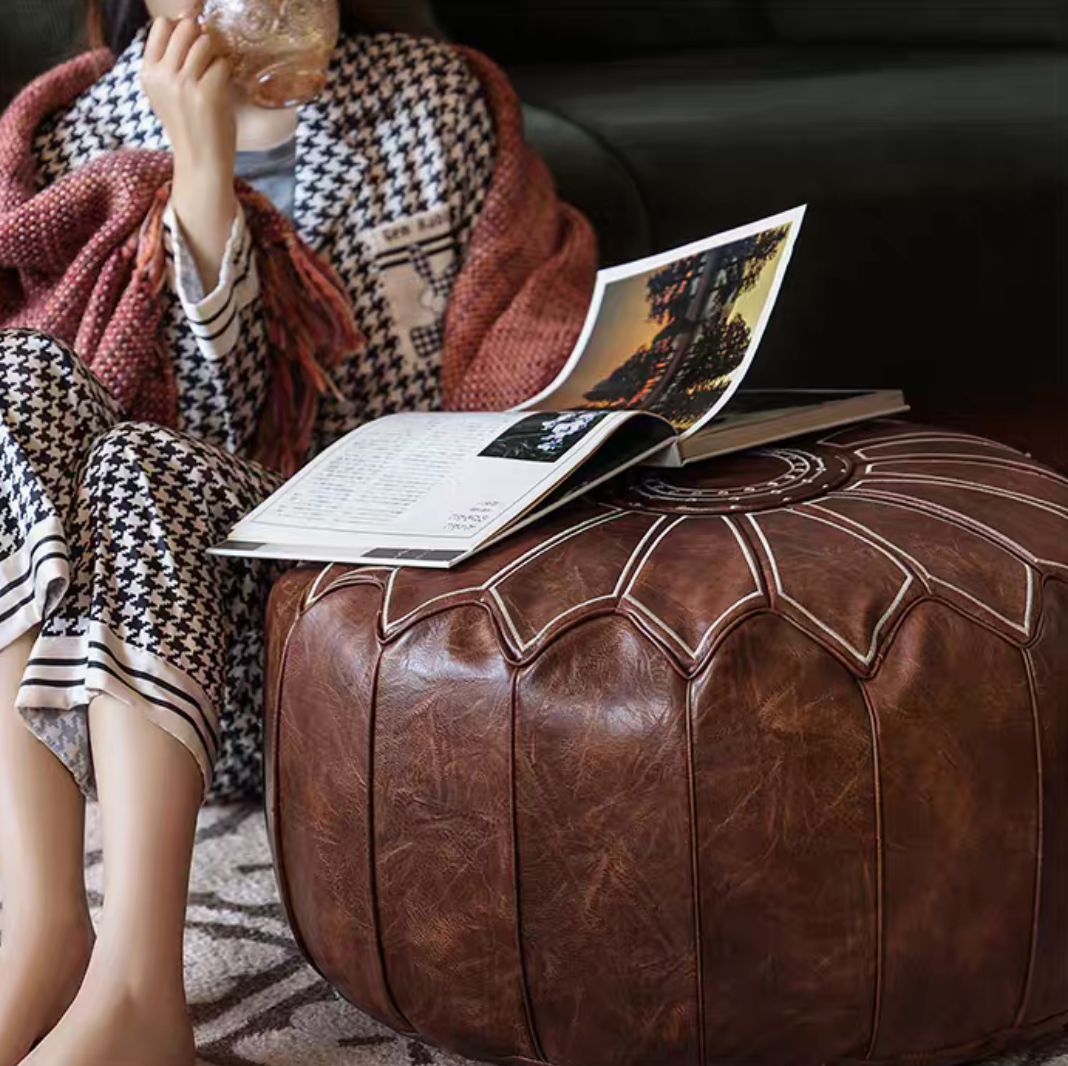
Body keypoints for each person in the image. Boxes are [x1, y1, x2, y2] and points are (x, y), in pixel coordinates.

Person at [0, 1, 596, 1062]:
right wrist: (199, 180)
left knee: (141, 463)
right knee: (31, 391)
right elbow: (159, 432)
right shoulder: (75, 139)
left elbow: (528, 338)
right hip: (154, 659)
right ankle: (45, 926)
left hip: (368, 641)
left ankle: (139, 991)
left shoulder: (435, 101)